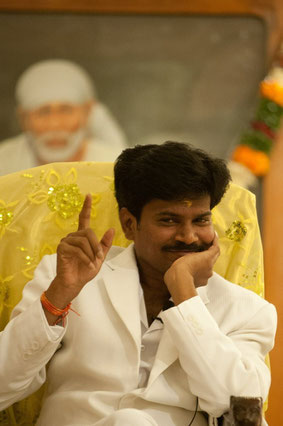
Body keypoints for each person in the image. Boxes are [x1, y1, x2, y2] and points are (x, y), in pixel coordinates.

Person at [0, 142, 277, 426]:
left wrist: (186, 296)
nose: (189, 237)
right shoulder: (70, 277)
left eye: (201, 220)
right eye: (169, 220)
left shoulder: (246, 310)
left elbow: (240, 408)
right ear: (129, 224)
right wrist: (58, 297)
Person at [0, 59, 127, 176]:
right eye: (43, 112)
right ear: (23, 118)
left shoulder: (113, 164)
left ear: (87, 113)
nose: (55, 124)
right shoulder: (4, 164)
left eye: (66, 111)